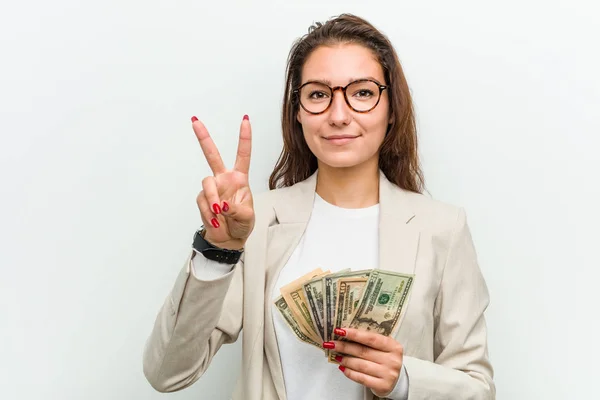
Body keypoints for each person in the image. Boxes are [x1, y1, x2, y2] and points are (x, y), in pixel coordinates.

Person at [143, 13, 495, 400]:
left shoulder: (441, 228)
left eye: (362, 92)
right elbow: (167, 373)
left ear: (391, 109)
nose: (338, 115)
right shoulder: (256, 225)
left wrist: (404, 380)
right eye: (317, 94)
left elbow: (478, 388)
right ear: (298, 112)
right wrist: (219, 250)